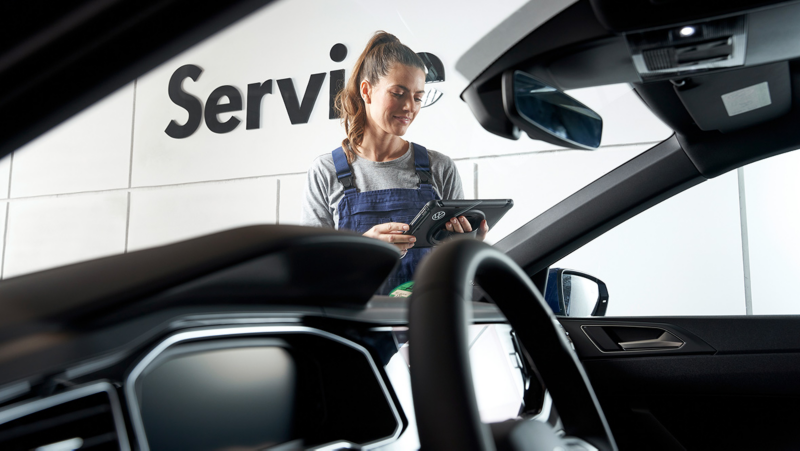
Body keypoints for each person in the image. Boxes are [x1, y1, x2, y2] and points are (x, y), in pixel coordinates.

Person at [301, 31, 488, 294]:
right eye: (398, 93)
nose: (410, 106)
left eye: (418, 97)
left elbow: (457, 270)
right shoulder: (327, 171)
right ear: (366, 91)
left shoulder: (439, 168)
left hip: (424, 321)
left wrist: (467, 244)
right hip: (352, 327)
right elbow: (309, 269)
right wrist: (362, 250)